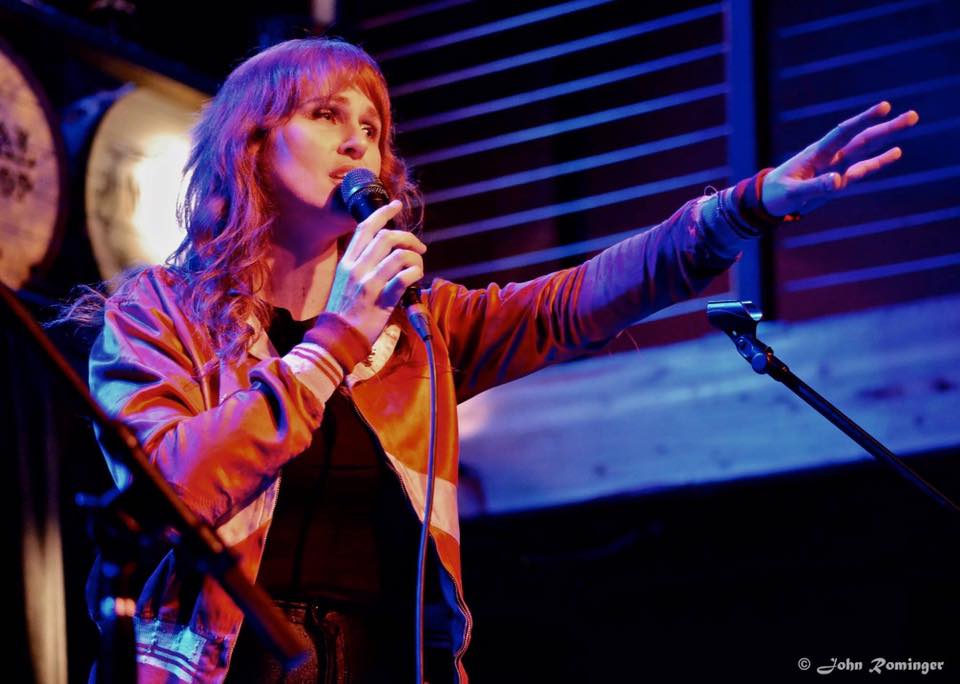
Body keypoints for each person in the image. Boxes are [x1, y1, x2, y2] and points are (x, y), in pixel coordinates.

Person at [80, 36, 917, 684]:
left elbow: (574, 301)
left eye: (371, 128)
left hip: (384, 661)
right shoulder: (160, 312)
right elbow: (168, 489)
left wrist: (745, 208)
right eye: (327, 115)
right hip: (223, 665)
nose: (357, 144)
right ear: (252, 142)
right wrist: (334, 339)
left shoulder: (419, 328)